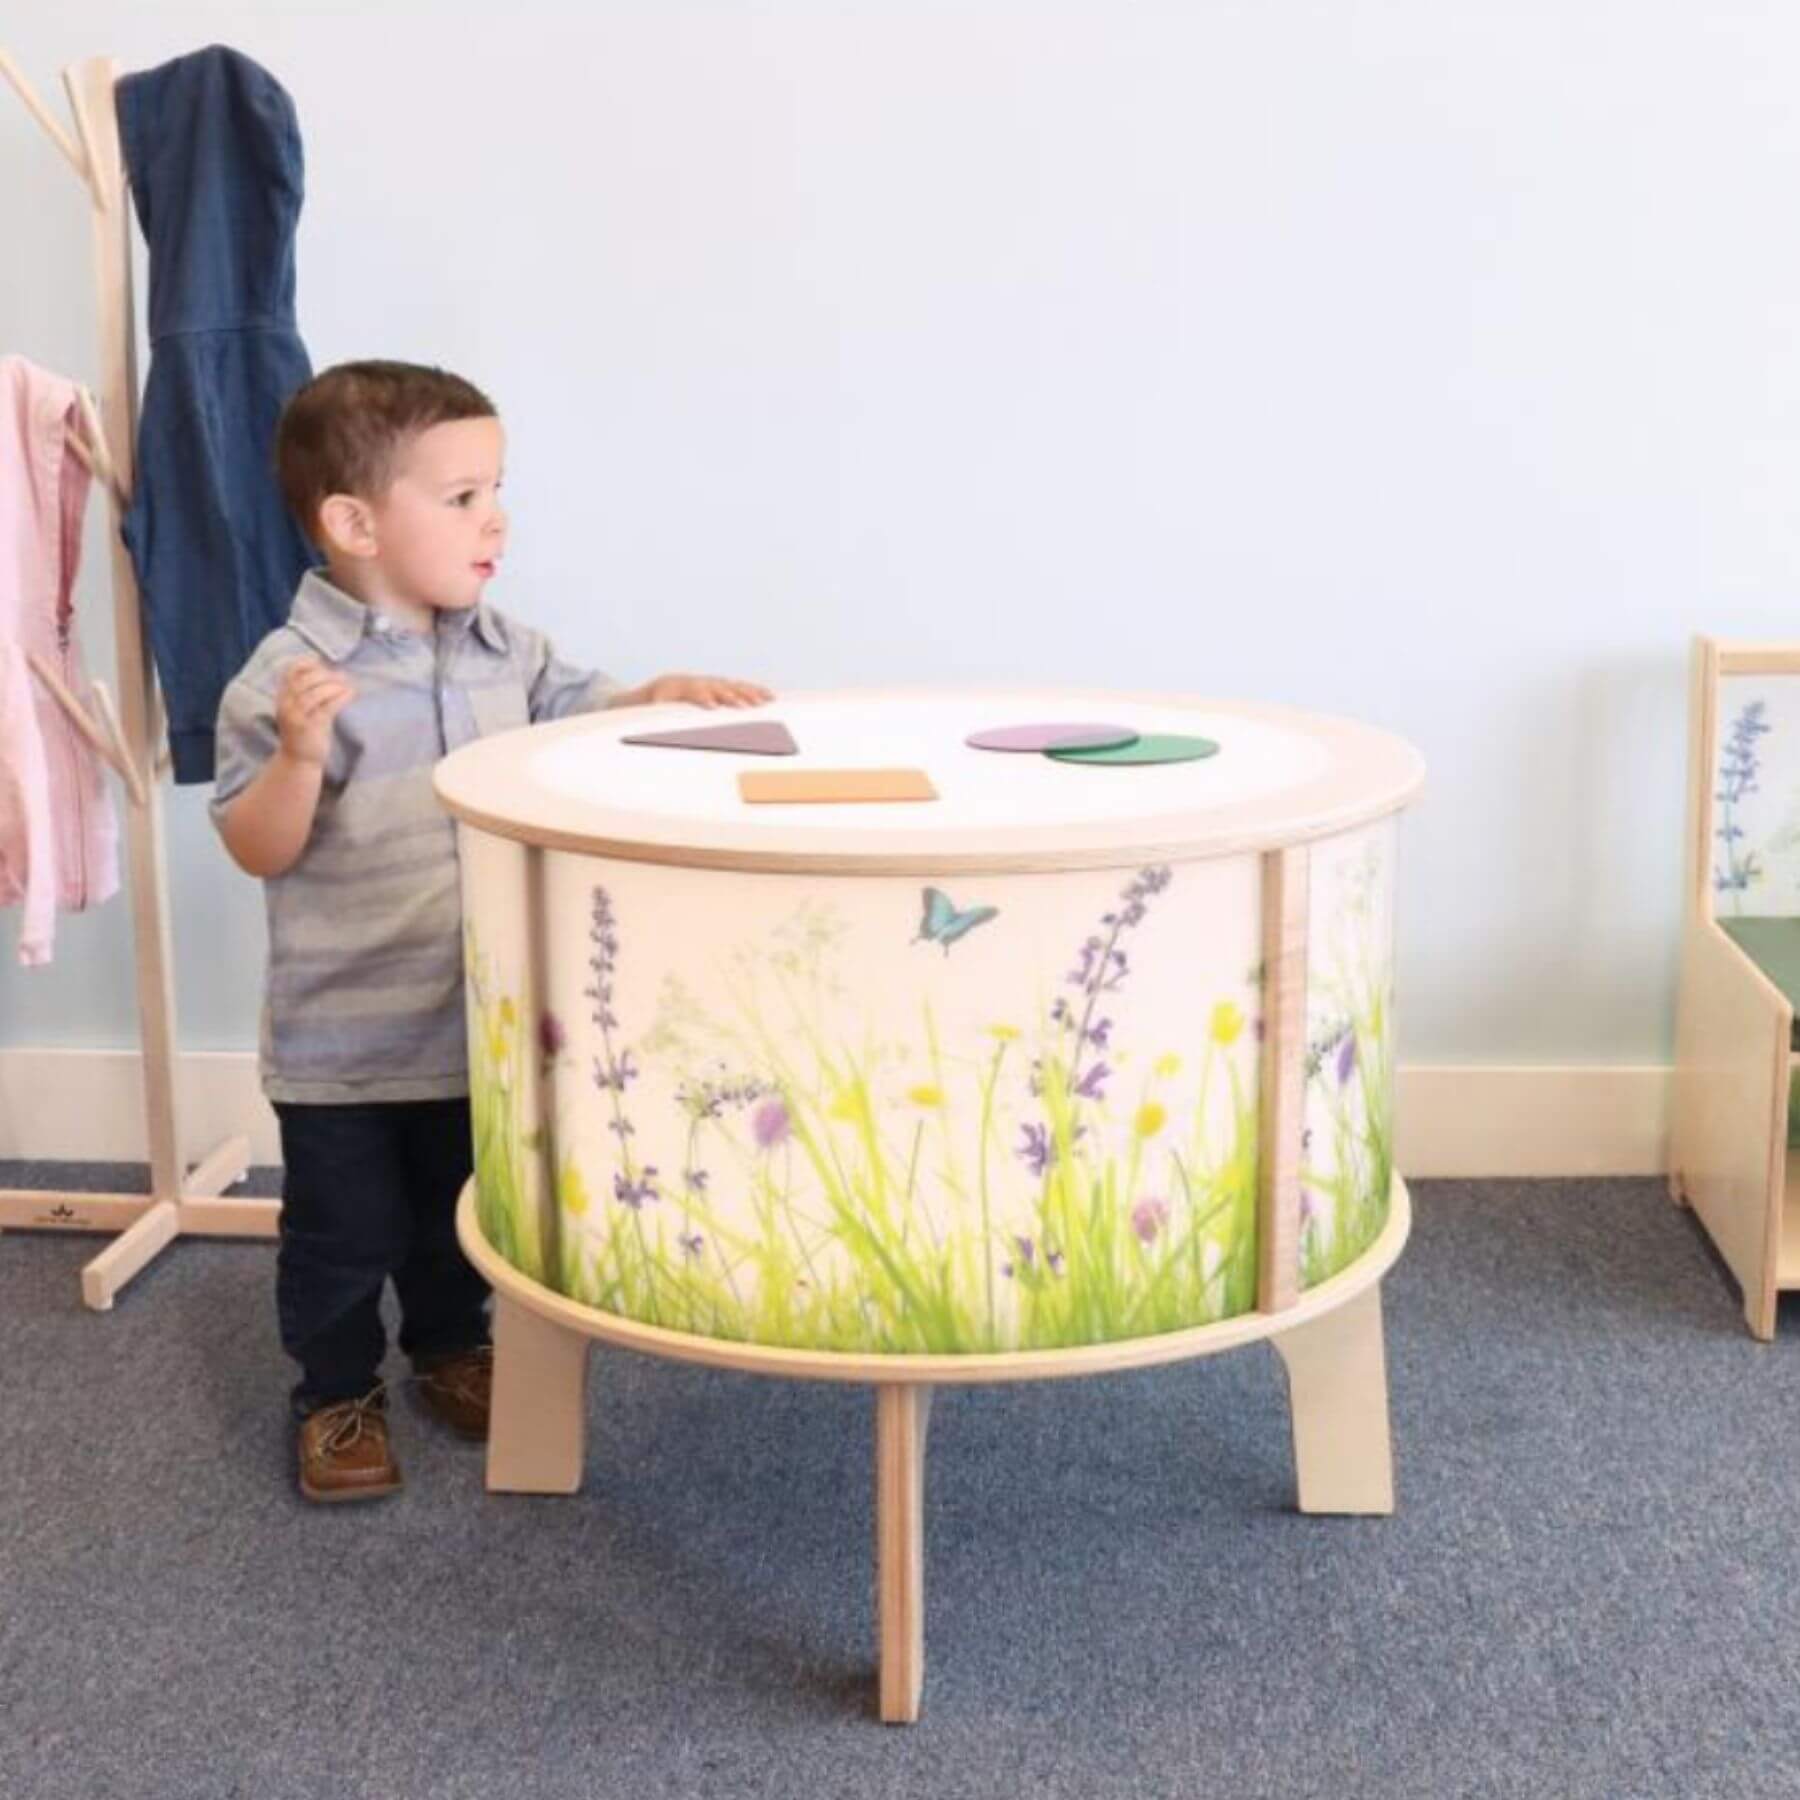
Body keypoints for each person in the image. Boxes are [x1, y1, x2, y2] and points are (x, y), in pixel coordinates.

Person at [212, 360, 772, 1501]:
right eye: (463, 496)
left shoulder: (503, 647)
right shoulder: (288, 680)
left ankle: (449, 1349)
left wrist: (647, 697)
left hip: (482, 1021)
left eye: (496, 489)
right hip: (344, 1048)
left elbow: (575, 713)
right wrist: (299, 759)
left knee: (459, 1214)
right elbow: (256, 847)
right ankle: (334, 1394)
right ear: (354, 522)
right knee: (342, 1236)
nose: (496, 518)